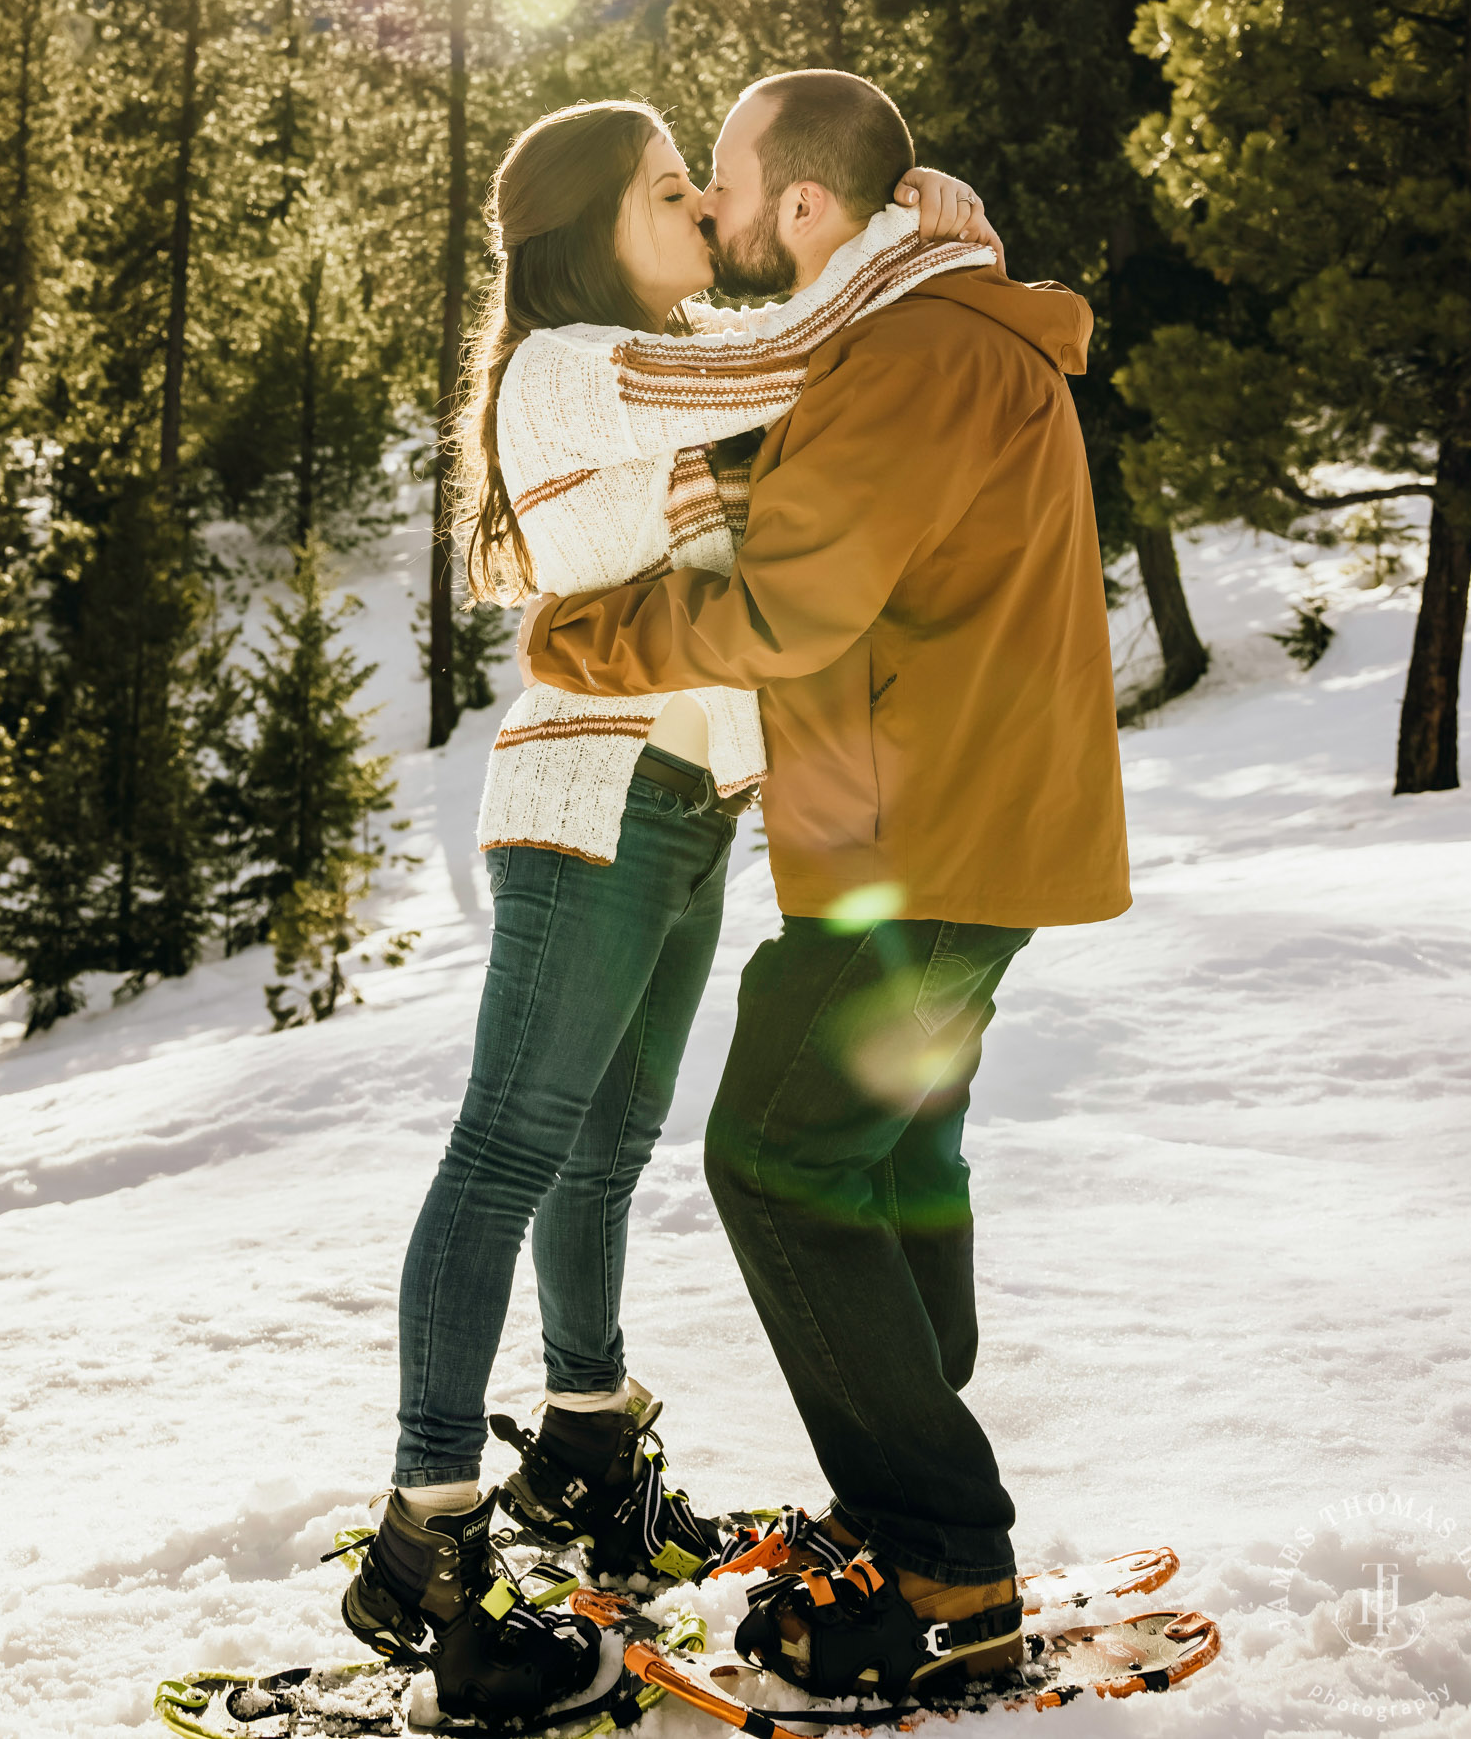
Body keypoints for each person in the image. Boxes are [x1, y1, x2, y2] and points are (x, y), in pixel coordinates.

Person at [342, 95, 998, 1720]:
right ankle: (426, 1531)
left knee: (612, 1147)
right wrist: (930, 238)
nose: (706, 215)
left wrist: (900, 250)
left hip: (689, 808)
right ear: (585, 224)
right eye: (667, 193)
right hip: (588, 803)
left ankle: (584, 1452)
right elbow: (794, 358)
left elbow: (800, 352)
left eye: (705, 194)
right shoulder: (567, 362)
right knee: (509, 1143)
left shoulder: (671, 342)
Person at [522, 69, 1133, 1708]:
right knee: (890, 1164)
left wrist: (583, 638)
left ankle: (941, 1564)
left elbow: (789, 603)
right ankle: (906, 1529)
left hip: (923, 839)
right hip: (940, 831)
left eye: (722, 181)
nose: (713, 212)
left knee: (781, 1163)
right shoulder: (923, 329)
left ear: (801, 206)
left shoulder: (918, 354)